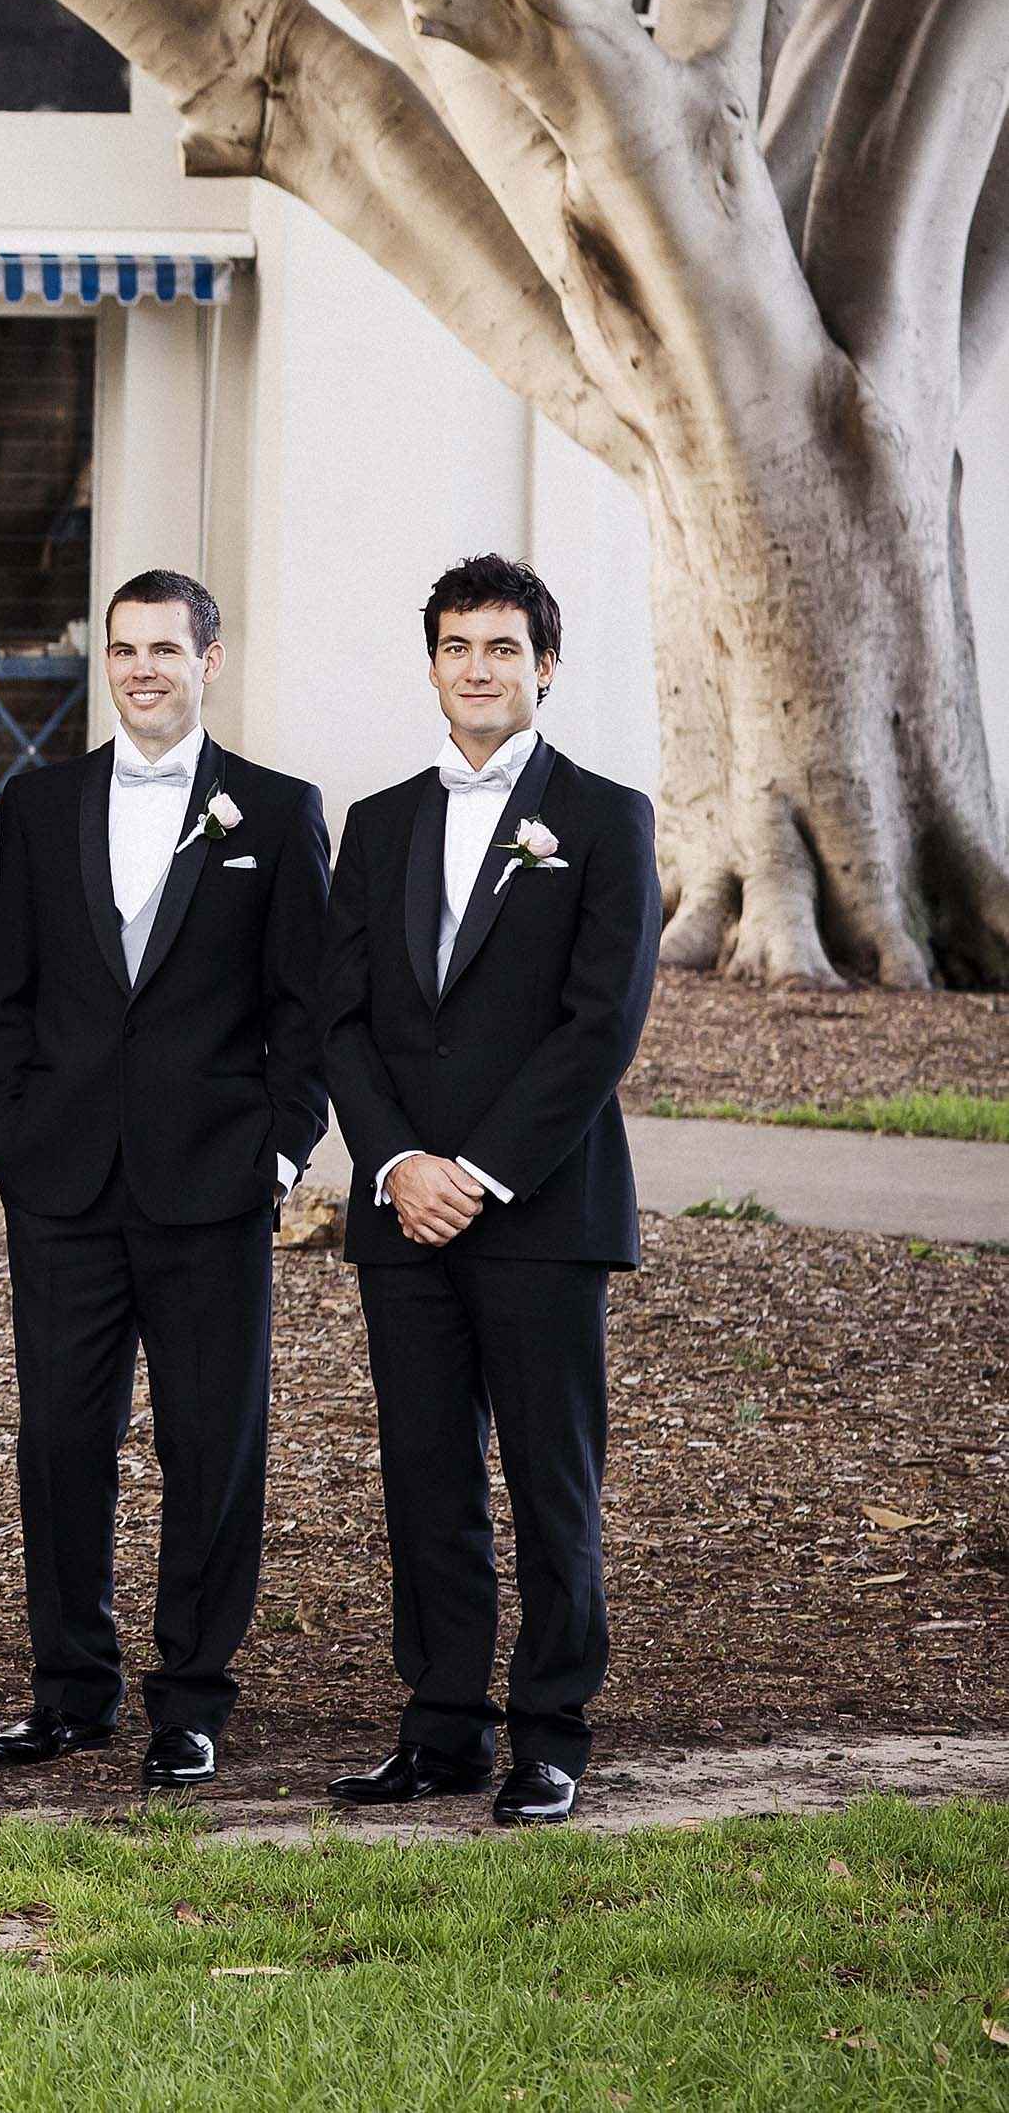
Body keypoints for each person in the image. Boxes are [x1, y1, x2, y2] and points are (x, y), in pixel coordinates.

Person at [0, 570, 330, 1790]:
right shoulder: (38, 804)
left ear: (208, 659)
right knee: (59, 1440)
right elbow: (3, 995)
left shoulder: (276, 813)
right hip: (62, 1186)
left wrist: (275, 1154)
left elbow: (305, 1010)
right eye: (121, 649)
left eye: (164, 648)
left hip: (211, 1185)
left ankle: (190, 1697)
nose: (141, 668)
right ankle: (69, 1687)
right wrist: (12, 1137)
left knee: (208, 1444)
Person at [323, 554, 658, 1828]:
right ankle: (442, 1722)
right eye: (458, 646)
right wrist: (399, 1162)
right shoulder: (381, 820)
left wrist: (478, 1169)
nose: (479, 667)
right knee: (425, 1475)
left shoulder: (606, 816)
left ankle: (552, 1730)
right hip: (402, 1211)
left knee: (549, 1476)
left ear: (545, 667)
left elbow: (597, 1025)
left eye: (503, 648)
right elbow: (338, 1016)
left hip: (542, 1209)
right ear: (430, 665)